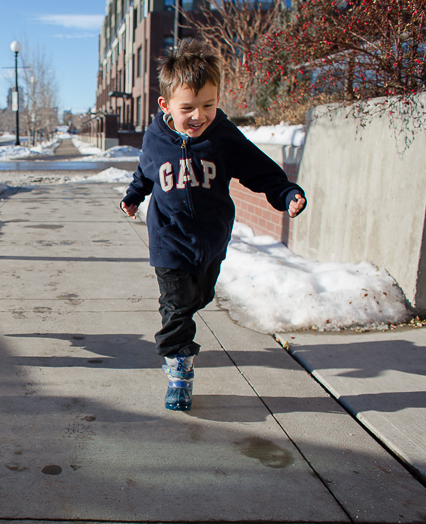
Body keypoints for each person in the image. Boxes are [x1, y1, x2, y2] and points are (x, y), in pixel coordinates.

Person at [120, 40, 307, 411]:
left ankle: (180, 339)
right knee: (176, 306)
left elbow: (259, 168)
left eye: (208, 105)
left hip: (212, 239)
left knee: (199, 298)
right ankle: (179, 365)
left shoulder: (223, 136)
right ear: (166, 105)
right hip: (169, 240)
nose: (199, 115)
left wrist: (286, 193)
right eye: (187, 108)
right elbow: (146, 169)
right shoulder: (155, 138)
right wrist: (134, 194)